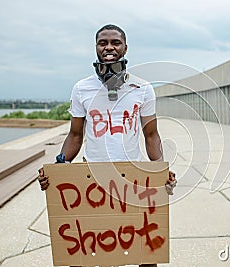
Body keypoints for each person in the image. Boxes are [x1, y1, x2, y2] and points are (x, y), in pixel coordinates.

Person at [38, 24, 176, 267]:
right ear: (96, 48)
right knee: (84, 252)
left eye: (115, 42)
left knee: (146, 250)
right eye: (103, 43)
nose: (109, 47)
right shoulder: (82, 88)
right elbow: (75, 135)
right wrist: (59, 168)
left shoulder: (142, 88)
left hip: (132, 178)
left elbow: (151, 135)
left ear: (125, 47)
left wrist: (160, 170)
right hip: (93, 181)